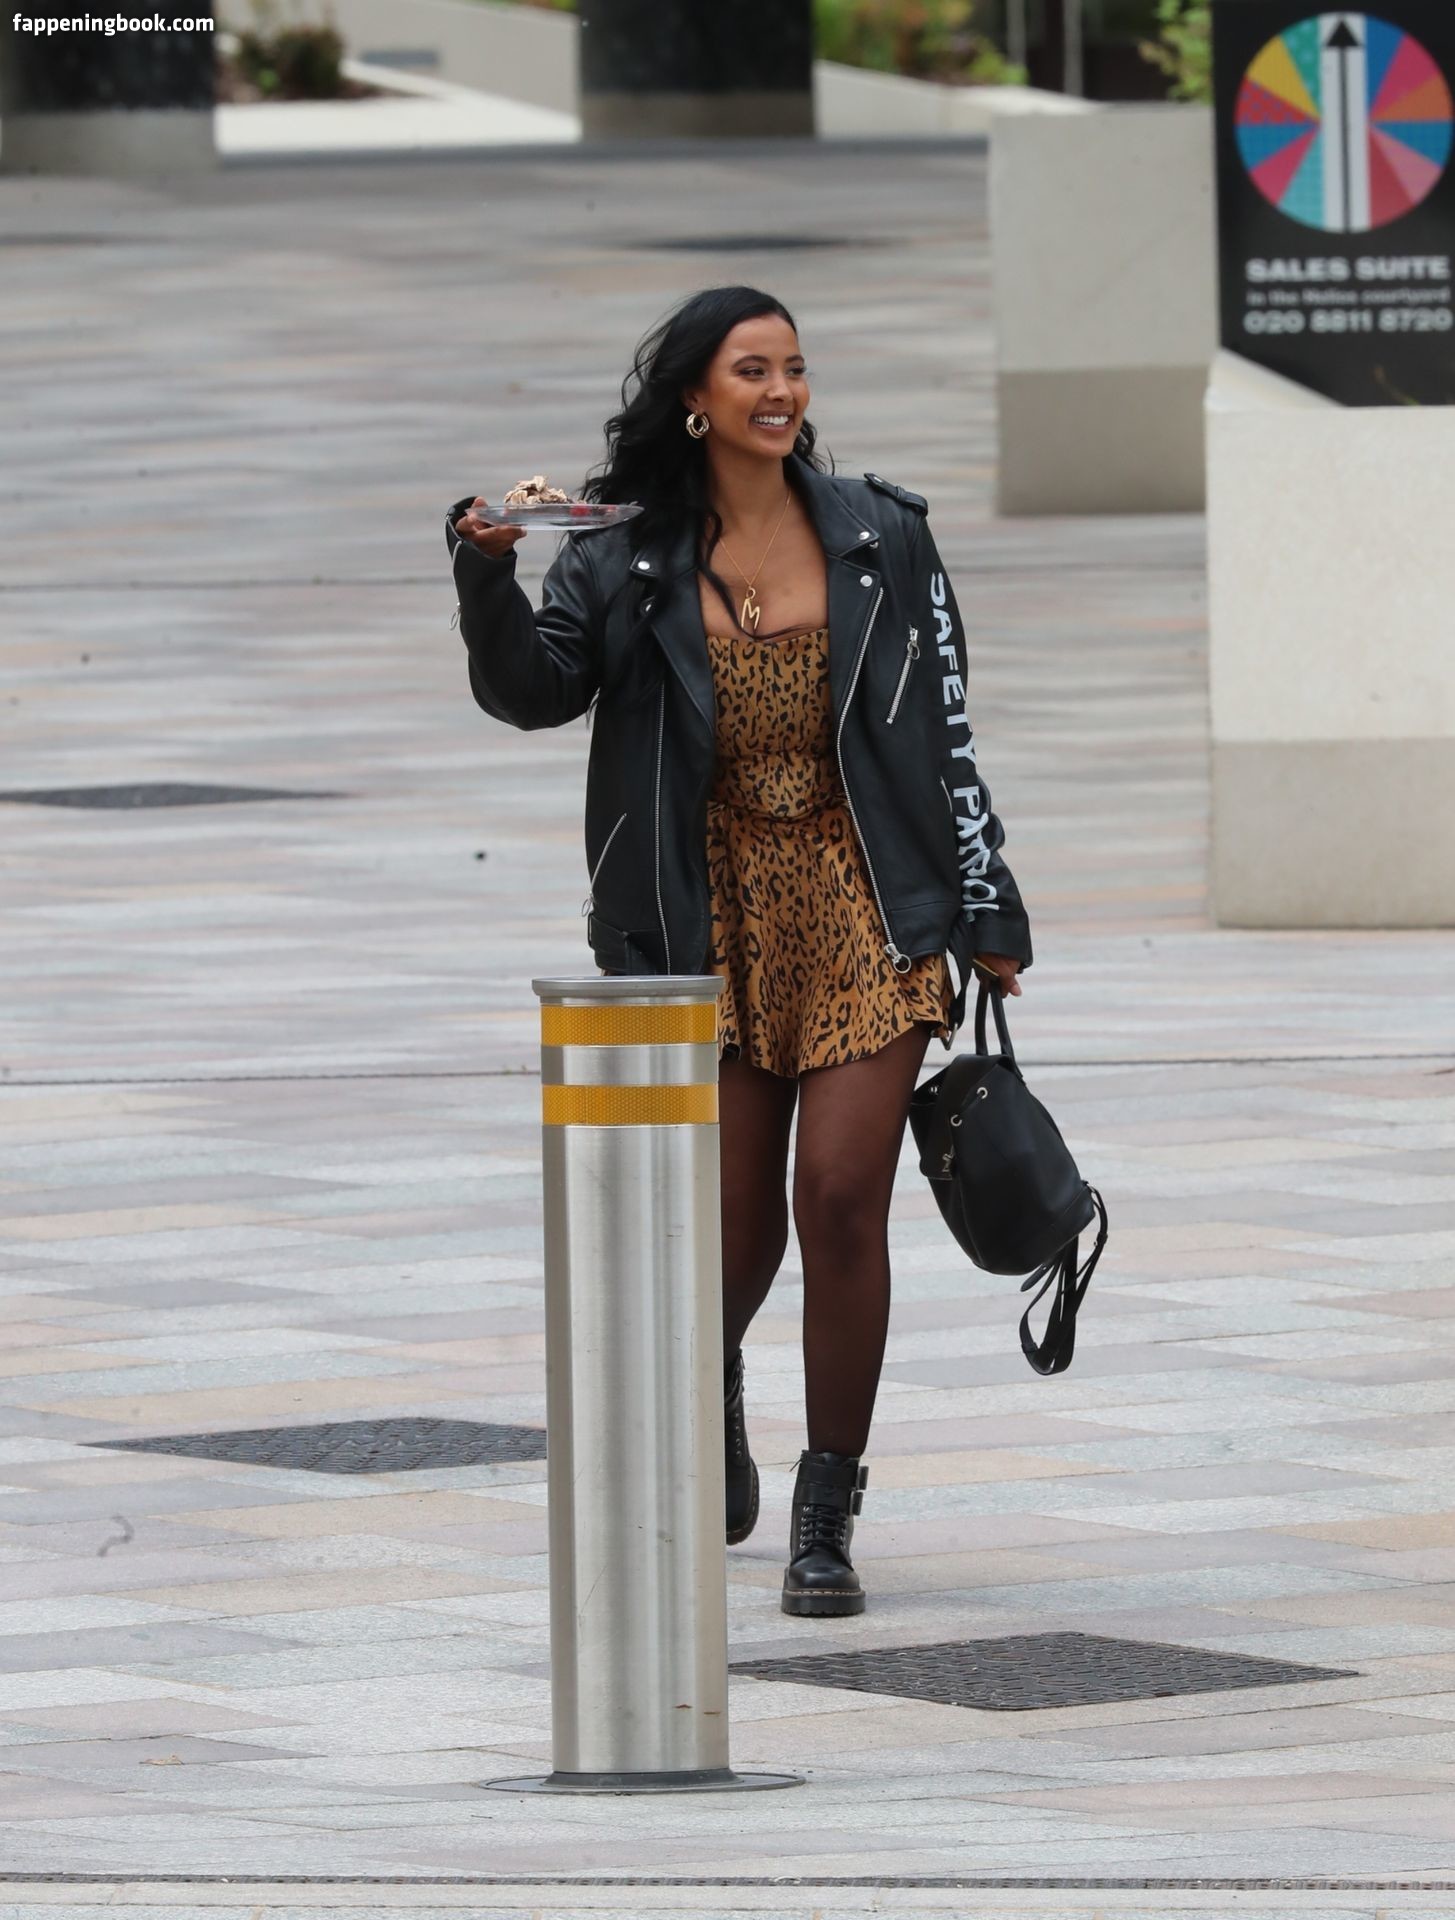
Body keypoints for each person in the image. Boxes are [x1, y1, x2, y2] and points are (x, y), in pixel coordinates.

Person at [445, 286, 1031, 1618]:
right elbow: (534, 692)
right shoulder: (622, 554)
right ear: (695, 400)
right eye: (752, 370)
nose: (781, 392)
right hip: (706, 915)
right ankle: (709, 1384)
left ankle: (828, 1510)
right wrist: (486, 575)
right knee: (735, 1221)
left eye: (795, 369)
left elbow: (945, 729)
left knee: (840, 1196)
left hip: (868, 897)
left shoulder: (883, 534)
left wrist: (988, 904)